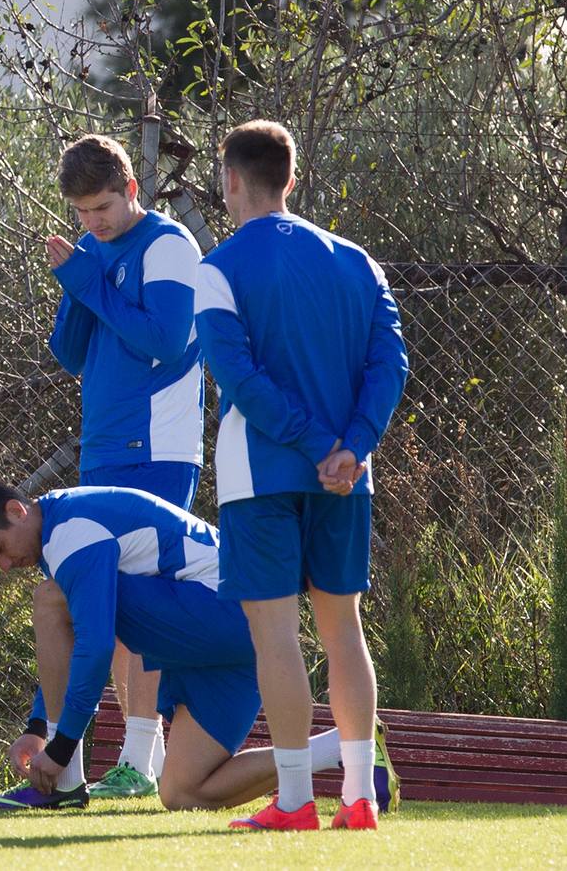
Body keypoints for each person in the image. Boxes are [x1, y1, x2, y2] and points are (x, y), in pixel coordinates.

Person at [194, 120, 409, 831]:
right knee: (343, 629)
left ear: (231, 180)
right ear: (290, 178)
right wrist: (352, 444)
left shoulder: (218, 267)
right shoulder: (358, 262)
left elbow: (239, 381)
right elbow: (390, 365)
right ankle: (355, 795)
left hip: (264, 475)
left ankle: (291, 801)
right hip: (347, 476)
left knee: (276, 635)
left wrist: (320, 443)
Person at [0, 482, 397, 814]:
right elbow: (72, 641)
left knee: (51, 598)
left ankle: (66, 784)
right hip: (239, 640)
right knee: (183, 792)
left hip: (225, 615)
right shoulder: (62, 532)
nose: (5, 565)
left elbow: (95, 644)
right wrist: (36, 726)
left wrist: (60, 746)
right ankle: (348, 744)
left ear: (16, 510)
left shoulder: (69, 531)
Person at [43, 134, 205, 799]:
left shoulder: (166, 245)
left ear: (132, 189)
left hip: (157, 451)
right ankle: (142, 756)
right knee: (103, 609)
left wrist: (89, 282)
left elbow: (164, 341)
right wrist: (74, 284)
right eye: (81, 212)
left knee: (141, 607)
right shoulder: (92, 250)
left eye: (103, 206)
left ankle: (139, 760)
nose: (93, 221)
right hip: (103, 450)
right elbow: (69, 354)